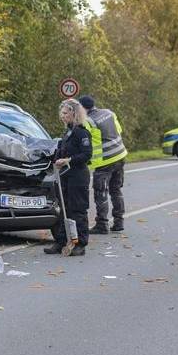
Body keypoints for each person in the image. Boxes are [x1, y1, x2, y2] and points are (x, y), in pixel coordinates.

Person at [45, 98, 92, 256]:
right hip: (64, 176)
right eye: (61, 113)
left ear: (74, 113)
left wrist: (68, 160)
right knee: (63, 210)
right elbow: (62, 150)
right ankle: (61, 241)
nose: (62, 116)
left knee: (77, 210)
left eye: (65, 113)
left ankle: (80, 244)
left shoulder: (82, 132)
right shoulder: (68, 132)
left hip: (78, 176)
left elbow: (86, 154)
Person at [79, 95, 127, 233]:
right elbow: (119, 130)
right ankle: (119, 222)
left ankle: (102, 224)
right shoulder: (109, 113)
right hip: (120, 156)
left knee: (101, 192)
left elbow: (88, 141)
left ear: (83, 108)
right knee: (116, 190)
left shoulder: (88, 121)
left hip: (104, 161)